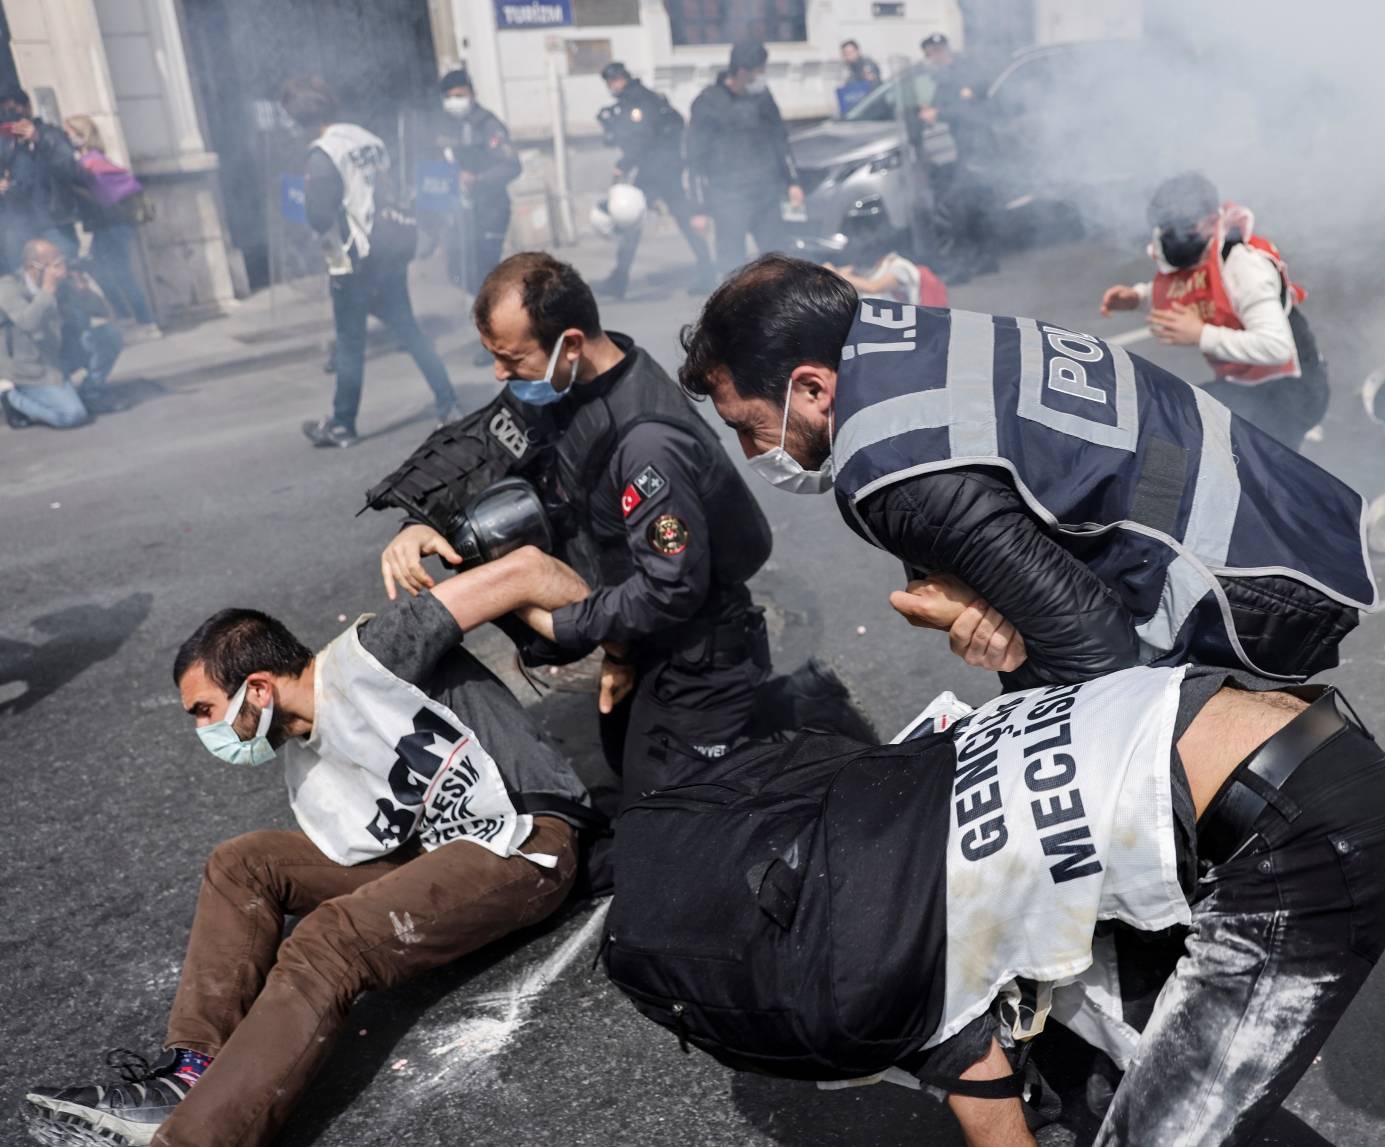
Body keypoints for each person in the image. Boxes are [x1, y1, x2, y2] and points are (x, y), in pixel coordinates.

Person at [607, 662, 1385, 1147]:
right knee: (1139, 1055)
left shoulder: (881, 979)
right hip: (1274, 733)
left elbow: (998, 1136)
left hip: (1304, 832)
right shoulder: (891, 790)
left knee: (1171, 1122)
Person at [20, 547, 593, 1147]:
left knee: (330, 941)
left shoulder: (378, 653)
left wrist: (625, 650)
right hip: (436, 853)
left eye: (205, 712)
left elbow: (529, 569)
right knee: (243, 863)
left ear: (258, 690)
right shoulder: (303, 741)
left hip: (524, 839)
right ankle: (189, 1077)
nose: (203, 732)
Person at [679, 255, 1377, 686]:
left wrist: (1018, 653)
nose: (749, 452)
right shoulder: (901, 327)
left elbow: (1096, 651)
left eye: (747, 425)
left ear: (810, 389)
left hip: (1254, 593)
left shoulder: (882, 467)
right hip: (1286, 505)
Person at [364, 252, 866, 808]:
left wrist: (560, 619)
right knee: (623, 753)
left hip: (699, 650)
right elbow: (487, 442)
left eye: (511, 359)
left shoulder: (647, 440)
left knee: (671, 814)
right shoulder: (568, 378)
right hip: (639, 637)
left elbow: (669, 588)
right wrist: (420, 520)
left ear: (571, 343)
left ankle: (817, 732)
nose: (501, 375)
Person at [280, 75, 459, 449]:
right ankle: (449, 402)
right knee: (409, 329)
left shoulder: (323, 153)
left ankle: (343, 424)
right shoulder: (368, 139)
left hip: (354, 261)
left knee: (349, 343)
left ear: (301, 118)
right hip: (389, 250)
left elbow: (318, 216)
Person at [1102, 173, 1329, 452]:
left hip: (1290, 391)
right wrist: (1137, 298)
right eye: (1167, 229)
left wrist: (1201, 334)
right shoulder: (1197, 252)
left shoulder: (1244, 267)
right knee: (1179, 418)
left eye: (1184, 227)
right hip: (1245, 383)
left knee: (1249, 464)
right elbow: (1189, 287)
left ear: (1212, 220)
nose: (1175, 237)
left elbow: (1276, 347)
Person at [594, 61, 716, 300]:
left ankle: (621, 279)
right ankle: (706, 270)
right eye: (609, 82)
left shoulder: (638, 101)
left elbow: (641, 139)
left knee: (634, 218)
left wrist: (623, 164)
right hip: (659, 169)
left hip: (657, 172)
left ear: (623, 78)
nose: (612, 86)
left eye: (614, 80)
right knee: (645, 220)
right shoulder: (637, 99)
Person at [686, 40, 805, 278]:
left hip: (766, 194)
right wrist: (698, 209)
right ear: (742, 72)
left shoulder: (762, 98)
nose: (762, 77)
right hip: (728, 198)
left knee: (779, 262)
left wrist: (793, 181)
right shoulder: (708, 102)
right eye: (759, 72)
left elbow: (780, 139)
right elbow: (695, 157)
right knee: (733, 268)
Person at [0, 237, 122, 429]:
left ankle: (90, 393)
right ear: (35, 266)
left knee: (109, 335)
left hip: (60, 356)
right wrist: (47, 290)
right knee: (72, 415)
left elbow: (105, 312)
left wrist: (84, 292)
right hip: (32, 368)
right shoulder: (8, 287)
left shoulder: (62, 284)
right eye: (56, 263)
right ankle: (13, 399)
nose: (61, 268)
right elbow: (28, 323)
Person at [63, 114, 160, 338]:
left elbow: (101, 195)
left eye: (68, 133)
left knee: (120, 273)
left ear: (81, 135)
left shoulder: (91, 162)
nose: (66, 138)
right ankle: (128, 318)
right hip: (109, 225)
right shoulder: (92, 159)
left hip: (114, 224)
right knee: (103, 270)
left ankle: (146, 323)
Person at [432, 69, 520, 306]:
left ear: (472, 94)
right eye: (449, 96)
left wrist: (478, 179)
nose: (454, 101)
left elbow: (512, 165)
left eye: (459, 94)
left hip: (490, 210)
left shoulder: (488, 125)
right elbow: (433, 169)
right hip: (458, 215)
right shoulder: (443, 127)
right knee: (457, 270)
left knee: (486, 269)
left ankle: (504, 317)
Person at [916, 33, 998, 284]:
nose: (934, 56)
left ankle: (965, 265)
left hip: (975, 147)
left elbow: (968, 110)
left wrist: (938, 113)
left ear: (944, 50)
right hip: (959, 149)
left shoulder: (965, 71)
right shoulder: (938, 77)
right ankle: (984, 259)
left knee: (959, 208)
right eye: (930, 53)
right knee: (972, 207)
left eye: (936, 51)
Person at [0, 87, 81, 271]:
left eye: (14, 109)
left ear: (27, 107)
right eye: (4, 111)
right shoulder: (5, 143)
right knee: (24, 278)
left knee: (65, 274)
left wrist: (38, 139)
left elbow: (68, 168)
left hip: (53, 222)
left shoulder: (50, 134)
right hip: (18, 225)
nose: (10, 116)